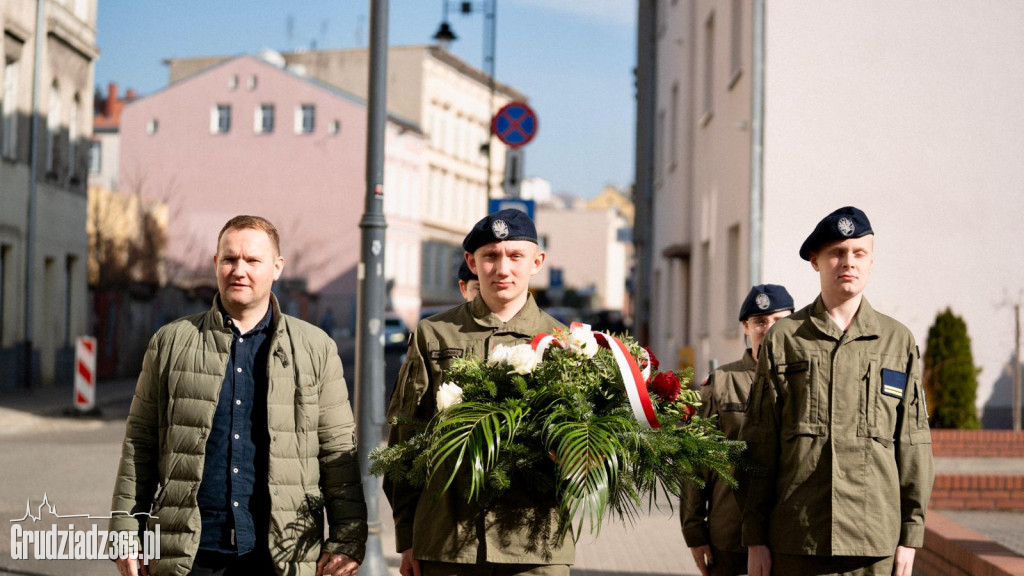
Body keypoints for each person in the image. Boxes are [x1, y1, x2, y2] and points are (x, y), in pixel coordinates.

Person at [109, 215, 367, 576]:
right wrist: (125, 533)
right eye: (229, 259)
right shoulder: (171, 342)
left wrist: (347, 539)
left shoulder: (315, 348)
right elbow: (141, 443)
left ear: (276, 267)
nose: (239, 270)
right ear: (216, 263)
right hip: (188, 553)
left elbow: (337, 450)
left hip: (283, 553)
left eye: (252, 260)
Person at [740, 207, 934, 576]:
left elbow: (913, 443)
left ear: (871, 261)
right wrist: (755, 538)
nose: (848, 262)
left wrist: (911, 535)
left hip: (874, 541)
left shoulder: (897, 342)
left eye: (859, 253)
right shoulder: (786, 339)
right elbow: (758, 443)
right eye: (837, 253)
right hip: (798, 538)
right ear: (815, 261)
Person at [385, 209, 570, 576]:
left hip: (535, 545)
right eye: (490, 256)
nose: (503, 269)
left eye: (515, 256)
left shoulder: (563, 343)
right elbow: (405, 440)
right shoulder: (435, 334)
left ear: (537, 262)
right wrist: (407, 536)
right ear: (471, 262)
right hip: (448, 542)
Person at [682, 284, 795, 576]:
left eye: (779, 321)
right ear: (746, 327)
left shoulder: (805, 381)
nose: (768, 329)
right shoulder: (722, 382)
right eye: (760, 322)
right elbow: (697, 460)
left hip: (792, 534)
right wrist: (694, 531)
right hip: (731, 532)